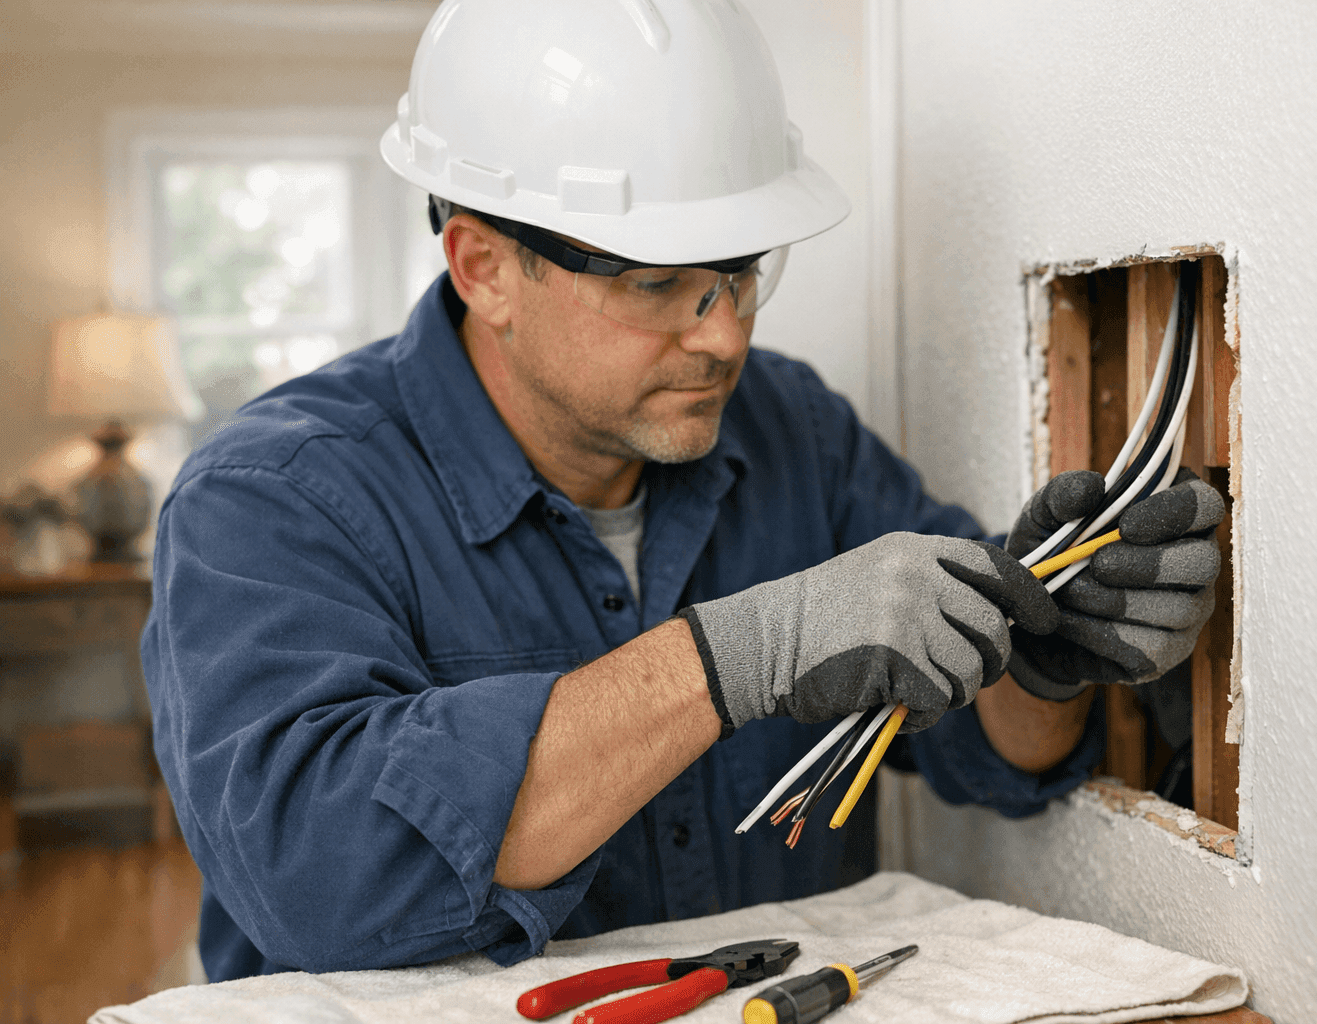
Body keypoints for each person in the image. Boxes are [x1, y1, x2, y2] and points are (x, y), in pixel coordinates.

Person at [141, 0, 1222, 982]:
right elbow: (323, 885)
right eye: (658, 284)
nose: (725, 333)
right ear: (481, 267)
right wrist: (735, 658)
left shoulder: (796, 431)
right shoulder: (270, 500)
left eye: (742, 270)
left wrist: (1044, 655)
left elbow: (994, 753)